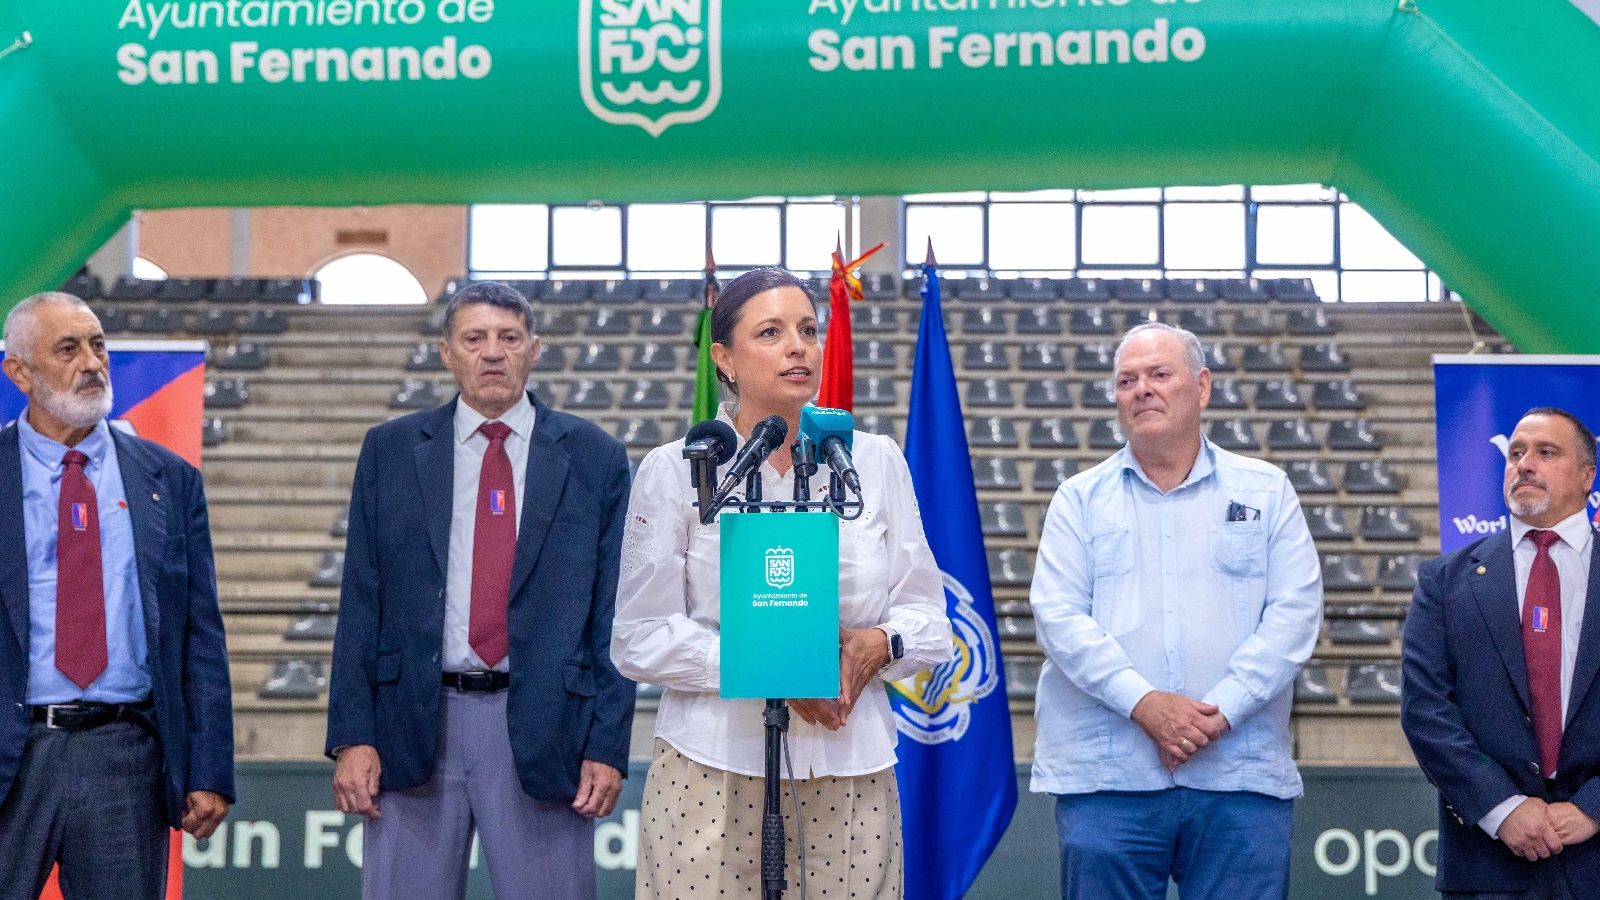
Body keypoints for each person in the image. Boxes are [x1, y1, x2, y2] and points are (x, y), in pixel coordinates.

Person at [612, 266, 952, 899]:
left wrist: (883, 642)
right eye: (770, 332)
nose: (798, 346)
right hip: (710, 768)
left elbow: (931, 624)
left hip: (853, 768)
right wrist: (773, 667)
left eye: (807, 330)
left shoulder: (873, 462)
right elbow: (638, 637)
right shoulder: (679, 468)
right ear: (725, 359)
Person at [325, 281, 634, 900]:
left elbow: (613, 615)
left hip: (547, 728)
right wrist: (352, 736)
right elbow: (361, 600)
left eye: (509, 338)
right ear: (447, 352)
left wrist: (608, 745)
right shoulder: (390, 451)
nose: (493, 352)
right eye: (475, 339)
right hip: (414, 724)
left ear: (534, 350)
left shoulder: (595, 456)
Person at [1029, 321, 1323, 900]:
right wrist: (1146, 704)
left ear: (1202, 386)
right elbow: (1058, 618)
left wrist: (1221, 711)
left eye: (1160, 374)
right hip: (1108, 779)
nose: (1142, 389)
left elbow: (1295, 613)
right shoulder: (1078, 500)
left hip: (1239, 774)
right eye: (1126, 380)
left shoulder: (1267, 491)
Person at [0, 291, 233, 898]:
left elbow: (199, 635)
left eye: (98, 345)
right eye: (68, 349)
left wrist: (209, 771)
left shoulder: (169, 479)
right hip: (10, 749)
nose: (92, 362)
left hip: (125, 755)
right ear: (18, 372)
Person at [1402, 407, 1600, 899]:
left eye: (1545, 452)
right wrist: (1501, 807)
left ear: (1587, 475)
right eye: (1515, 454)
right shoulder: (1445, 582)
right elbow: (1426, 710)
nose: (1524, 464)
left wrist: (1595, 805)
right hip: (1488, 861)